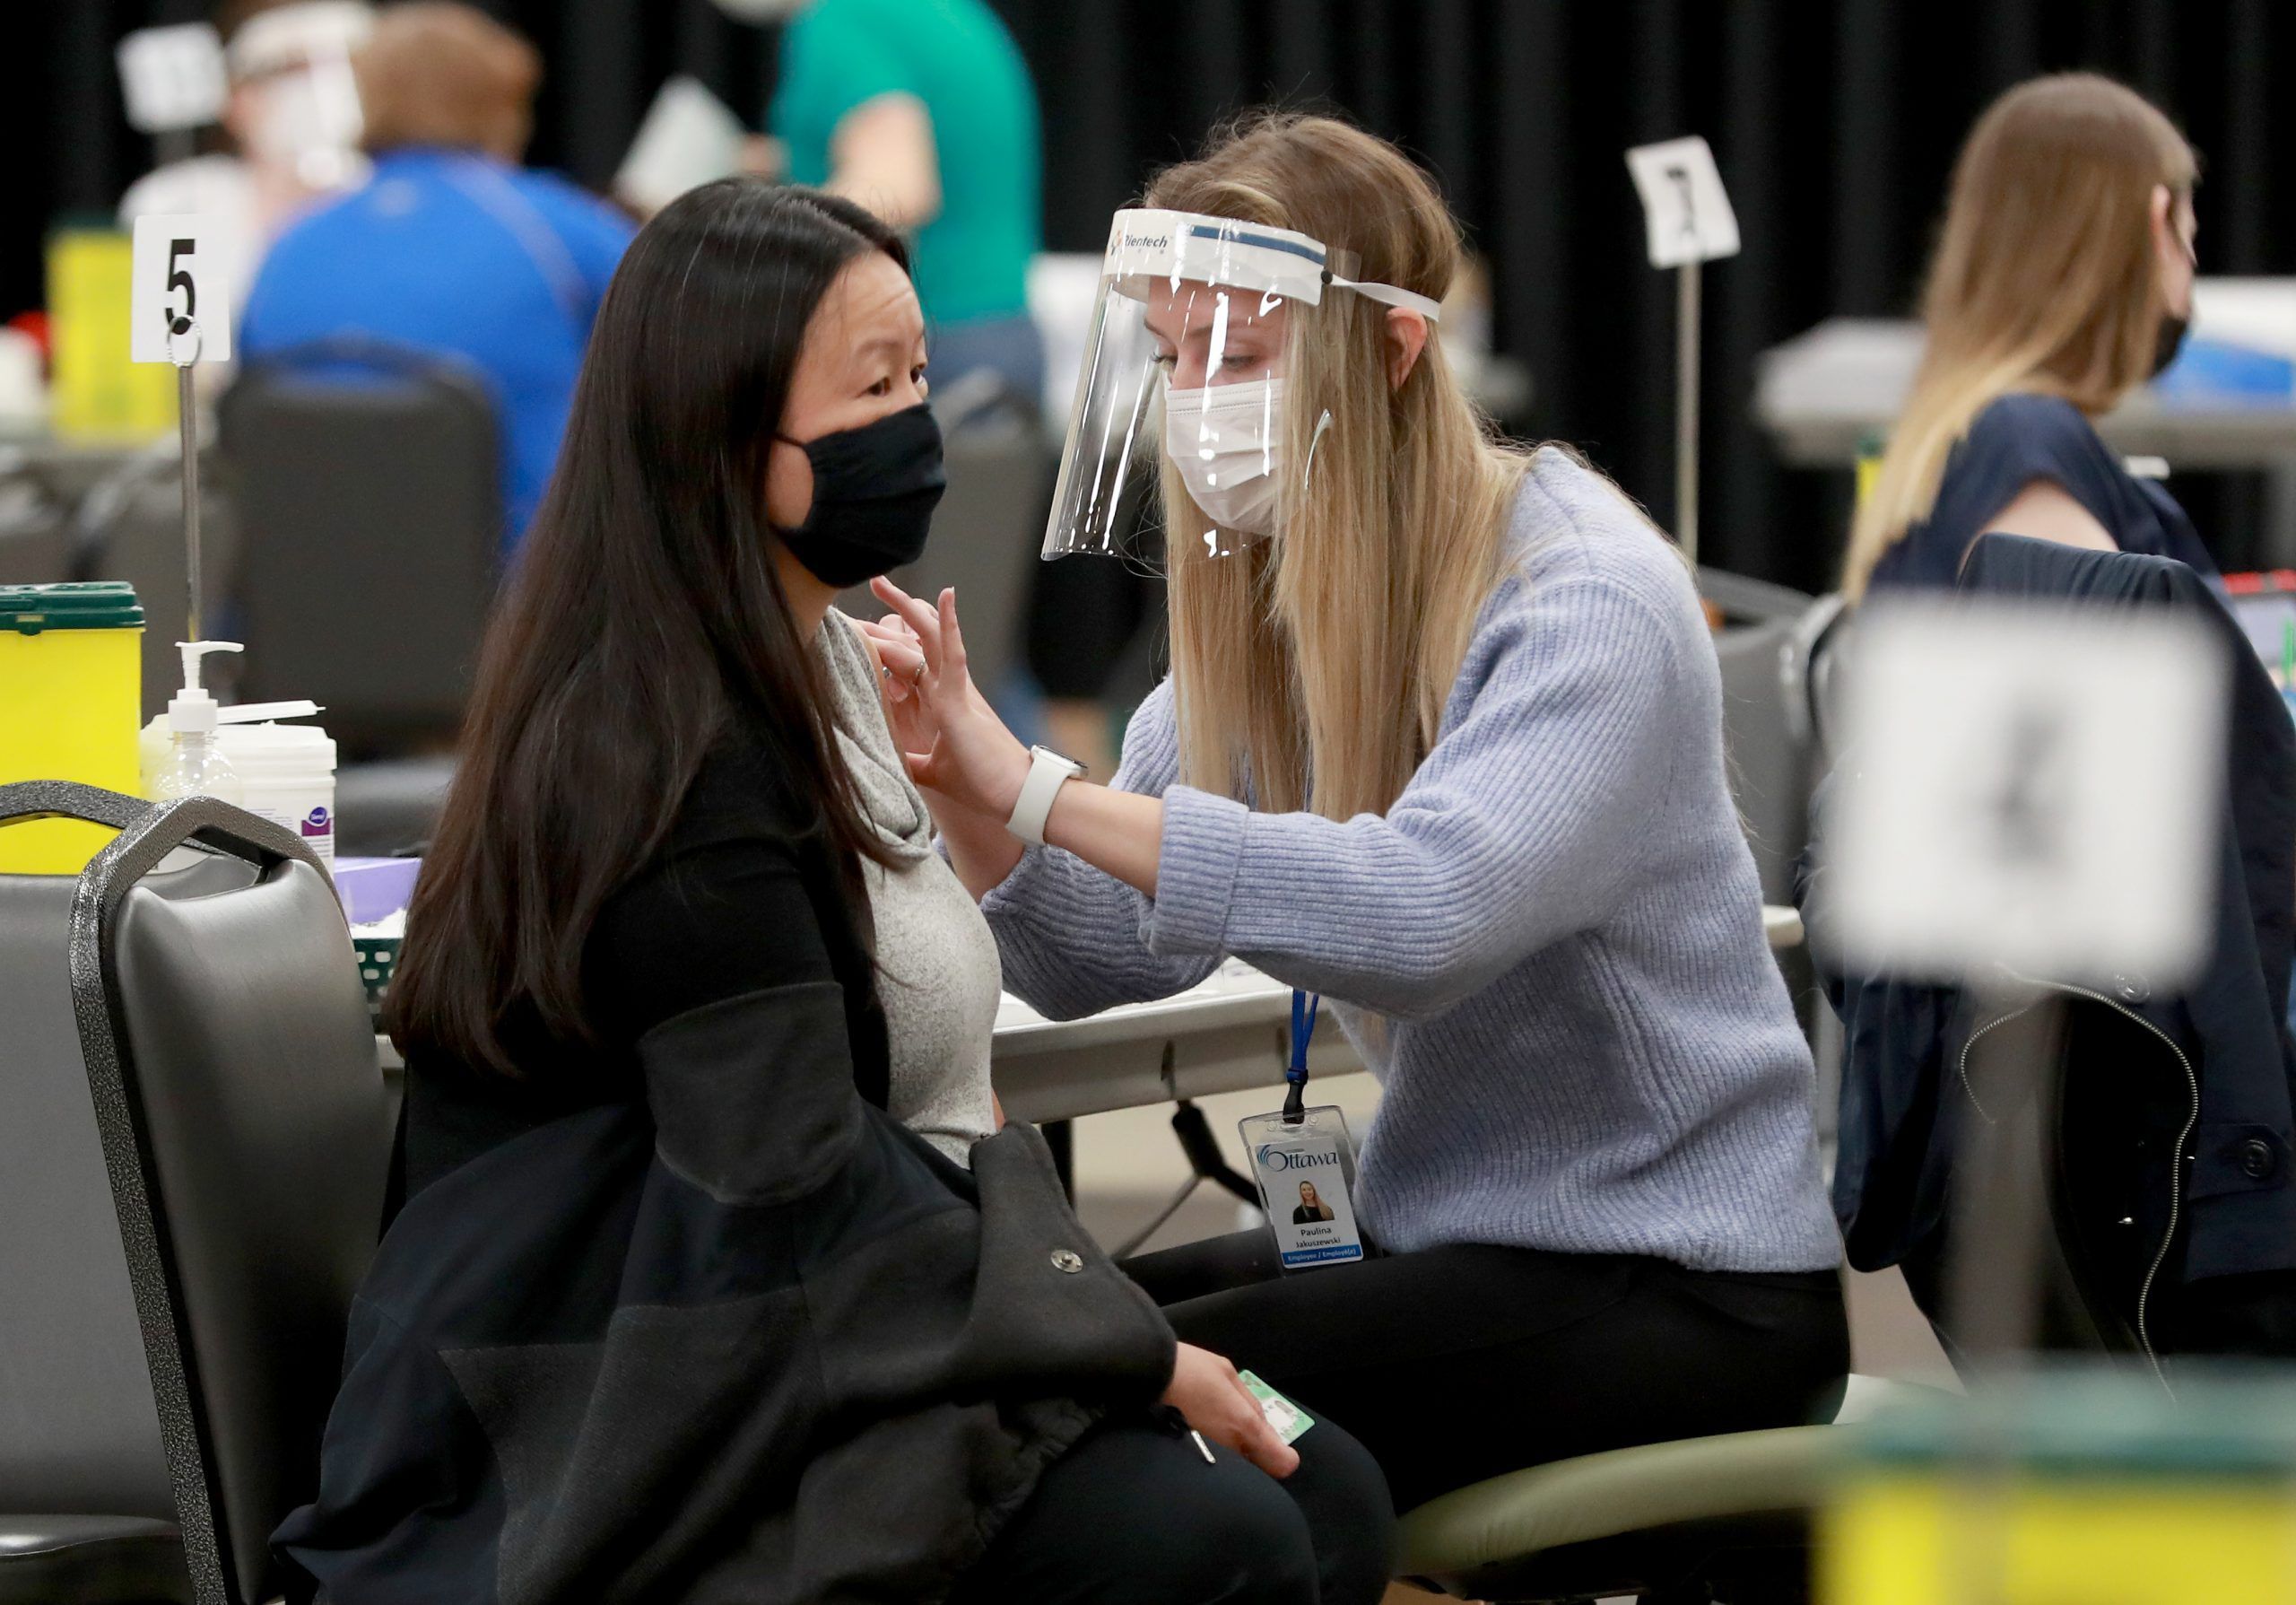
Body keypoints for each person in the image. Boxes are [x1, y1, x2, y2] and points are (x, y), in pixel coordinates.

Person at [274, 178, 1392, 1605]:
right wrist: (1120, 1346)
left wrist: (991, 787)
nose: (919, 421)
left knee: (1326, 1485)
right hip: (661, 1384)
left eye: (919, 372)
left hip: (846, 1309)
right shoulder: (658, 754)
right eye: (876, 385)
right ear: (727, 439)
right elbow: (791, 1180)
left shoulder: (824, 663)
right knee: (1218, 1538)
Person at [859, 111, 1849, 1515]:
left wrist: (1032, 785)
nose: (1200, 400)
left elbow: (1425, 915)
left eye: (1244, 359)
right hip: (1435, 1234)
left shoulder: (1583, 596)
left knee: (1076, 1401)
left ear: (1391, 352)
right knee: (1038, 1345)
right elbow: (1098, 954)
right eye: (1173, 357)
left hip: (1680, 1281)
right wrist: (968, 788)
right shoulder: (1281, 597)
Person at [237, 4, 634, 547]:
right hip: (528, 604)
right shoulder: (563, 235)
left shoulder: (287, 250)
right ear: (505, 103)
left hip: (303, 604)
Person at [1842, 74, 2211, 601]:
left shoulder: (1972, 435)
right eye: (2190, 239)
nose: (2192, 267)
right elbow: (2108, 676)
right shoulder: (2029, 443)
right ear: (2156, 224)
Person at [762, 0, 1044, 407]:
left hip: (931, 353)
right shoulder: (936, 12)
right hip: (1003, 337)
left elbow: (898, 188)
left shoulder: (842, 19)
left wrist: (751, 230)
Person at [117, 0, 375, 347]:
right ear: (237, 98)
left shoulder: (396, 200)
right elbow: (175, 356)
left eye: (348, 66)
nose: (320, 90)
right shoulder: (178, 202)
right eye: (293, 70)